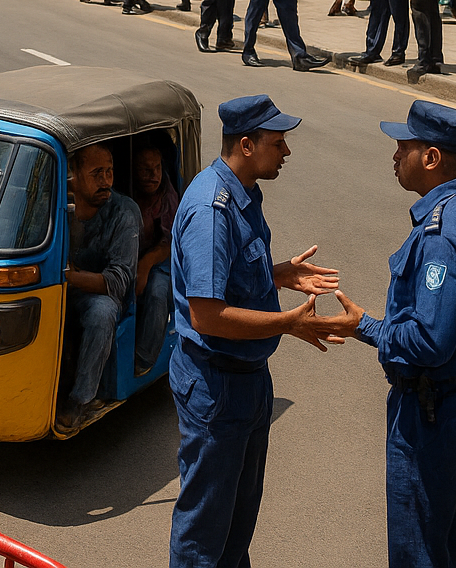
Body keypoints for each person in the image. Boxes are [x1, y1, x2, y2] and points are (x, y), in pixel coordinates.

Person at [168, 95, 357, 568]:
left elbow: (228, 275)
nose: (287, 152)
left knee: (236, 526)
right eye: (278, 143)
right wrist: (290, 324)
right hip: (217, 387)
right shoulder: (213, 209)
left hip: (246, 380)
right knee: (204, 535)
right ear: (247, 145)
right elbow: (207, 315)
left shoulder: (243, 193)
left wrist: (278, 274)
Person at [352, 100, 456, 568]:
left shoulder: (442, 235)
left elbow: (430, 341)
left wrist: (362, 325)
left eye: (404, 147)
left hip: (431, 410)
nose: (395, 156)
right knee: (454, 539)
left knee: (418, 546)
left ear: (432, 157)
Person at [58, 144, 138, 430]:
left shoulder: (124, 213)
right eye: (96, 174)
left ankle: (80, 400)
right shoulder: (57, 203)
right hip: (59, 283)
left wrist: (70, 276)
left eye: (109, 172)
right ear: (74, 177)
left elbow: (117, 281)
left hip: (100, 295)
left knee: (101, 314)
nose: (105, 181)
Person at [130, 144, 177, 374]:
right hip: (130, 256)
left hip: (161, 258)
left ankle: (144, 359)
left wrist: (146, 264)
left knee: (158, 291)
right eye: (145, 169)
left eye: (157, 168)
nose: (153, 175)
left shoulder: (167, 195)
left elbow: (168, 243)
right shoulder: (125, 193)